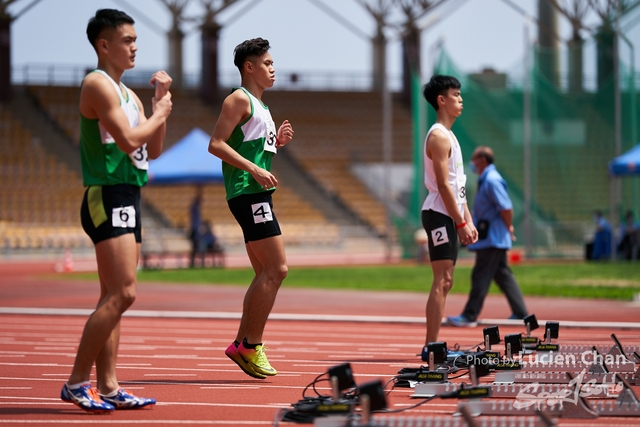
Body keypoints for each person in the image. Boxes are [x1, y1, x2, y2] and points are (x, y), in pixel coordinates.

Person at [61, 9, 172, 412]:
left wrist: (159, 106)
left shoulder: (130, 96)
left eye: (135, 40)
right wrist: (159, 113)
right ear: (104, 45)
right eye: (127, 40)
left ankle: (108, 386)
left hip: (129, 193)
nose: (135, 46)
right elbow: (127, 140)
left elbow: (152, 149)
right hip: (107, 194)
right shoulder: (97, 84)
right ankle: (76, 382)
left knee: (114, 295)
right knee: (124, 292)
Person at [207, 38, 294, 379]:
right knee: (278, 269)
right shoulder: (238, 99)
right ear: (249, 67)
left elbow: (254, 151)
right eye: (268, 63)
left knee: (265, 273)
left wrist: (278, 144)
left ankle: (244, 344)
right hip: (247, 193)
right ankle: (249, 345)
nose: (273, 69)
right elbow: (215, 144)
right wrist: (254, 169)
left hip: (256, 194)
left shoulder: (262, 107)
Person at [419, 75, 477, 360]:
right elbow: (442, 185)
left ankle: (433, 344)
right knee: (442, 279)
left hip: (448, 212)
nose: (460, 99)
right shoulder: (439, 136)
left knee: (447, 279)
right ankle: (431, 346)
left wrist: (467, 216)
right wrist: (461, 222)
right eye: (455, 94)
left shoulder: (450, 135)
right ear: (441, 100)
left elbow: (458, 184)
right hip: (438, 212)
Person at [447, 146, 528, 328]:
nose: (472, 163)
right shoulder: (486, 180)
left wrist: (508, 227)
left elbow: (506, 207)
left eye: (474, 159)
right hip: (493, 238)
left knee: (481, 275)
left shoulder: (491, 180)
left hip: (493, 239)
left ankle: (469, 315)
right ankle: (521, 313)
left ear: (482, 160)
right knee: (503, 275)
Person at [189, 187, 203, 267]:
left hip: (195, 229)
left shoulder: (195, 208)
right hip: (195, 229)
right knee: (196, 247)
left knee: (196, 247)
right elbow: (198, 199)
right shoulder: (194, 207)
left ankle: (194, 262)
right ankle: (194, 262)